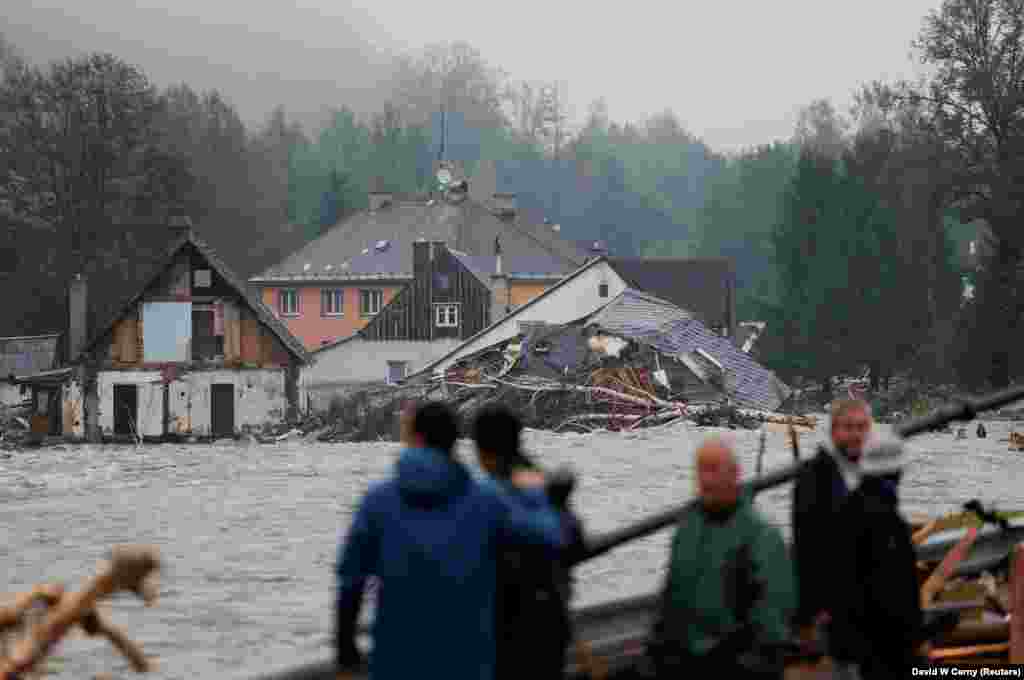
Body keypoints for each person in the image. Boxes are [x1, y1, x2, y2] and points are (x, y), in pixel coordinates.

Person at [334, 400, 564, 680]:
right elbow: (549, 537)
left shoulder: (378, 501)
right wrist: (536, 485)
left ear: (414, 438)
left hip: (396, 660)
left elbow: (351, 579)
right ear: (455, 441)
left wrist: (346, 648)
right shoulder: (486, 500)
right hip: (469, 660)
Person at [646, 436, 795, 679]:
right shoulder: (687, 529)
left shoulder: (761, 536)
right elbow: (672, 595)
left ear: (735, 474)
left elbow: (774, 618)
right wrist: (658, 648)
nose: (708, 479)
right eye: (702, 470)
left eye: (715, 470)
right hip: (687, 659)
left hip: (736, 663)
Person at [471, 403, 587, 680]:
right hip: (550, 622)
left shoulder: (487, 493)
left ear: (482, 449)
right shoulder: (537, 479)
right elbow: (573, 541)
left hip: (509, 628)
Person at [829, 434, 927, 678]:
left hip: (848, 645)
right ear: (895, 472)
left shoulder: (847, 509)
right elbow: (894, 592)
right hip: (879, 650)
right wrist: (914, 641)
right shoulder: (886, 522)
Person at [791, 398, 871, 640]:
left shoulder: (872, 473)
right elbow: (808, 548)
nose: (855, 434)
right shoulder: (814, 477)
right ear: (834, 431)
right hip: (828, 602)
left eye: (861, 427)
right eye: (849, 427)